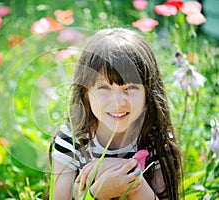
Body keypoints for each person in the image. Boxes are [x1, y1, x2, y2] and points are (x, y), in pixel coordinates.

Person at [49, 28, 183, 200]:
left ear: (148, 93)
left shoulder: (155, 139)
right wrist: (96, 194)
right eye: (104, 87)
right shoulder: (72, 139)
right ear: (86, 92)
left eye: (131, 88)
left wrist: (135, 182)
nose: (118, 103)